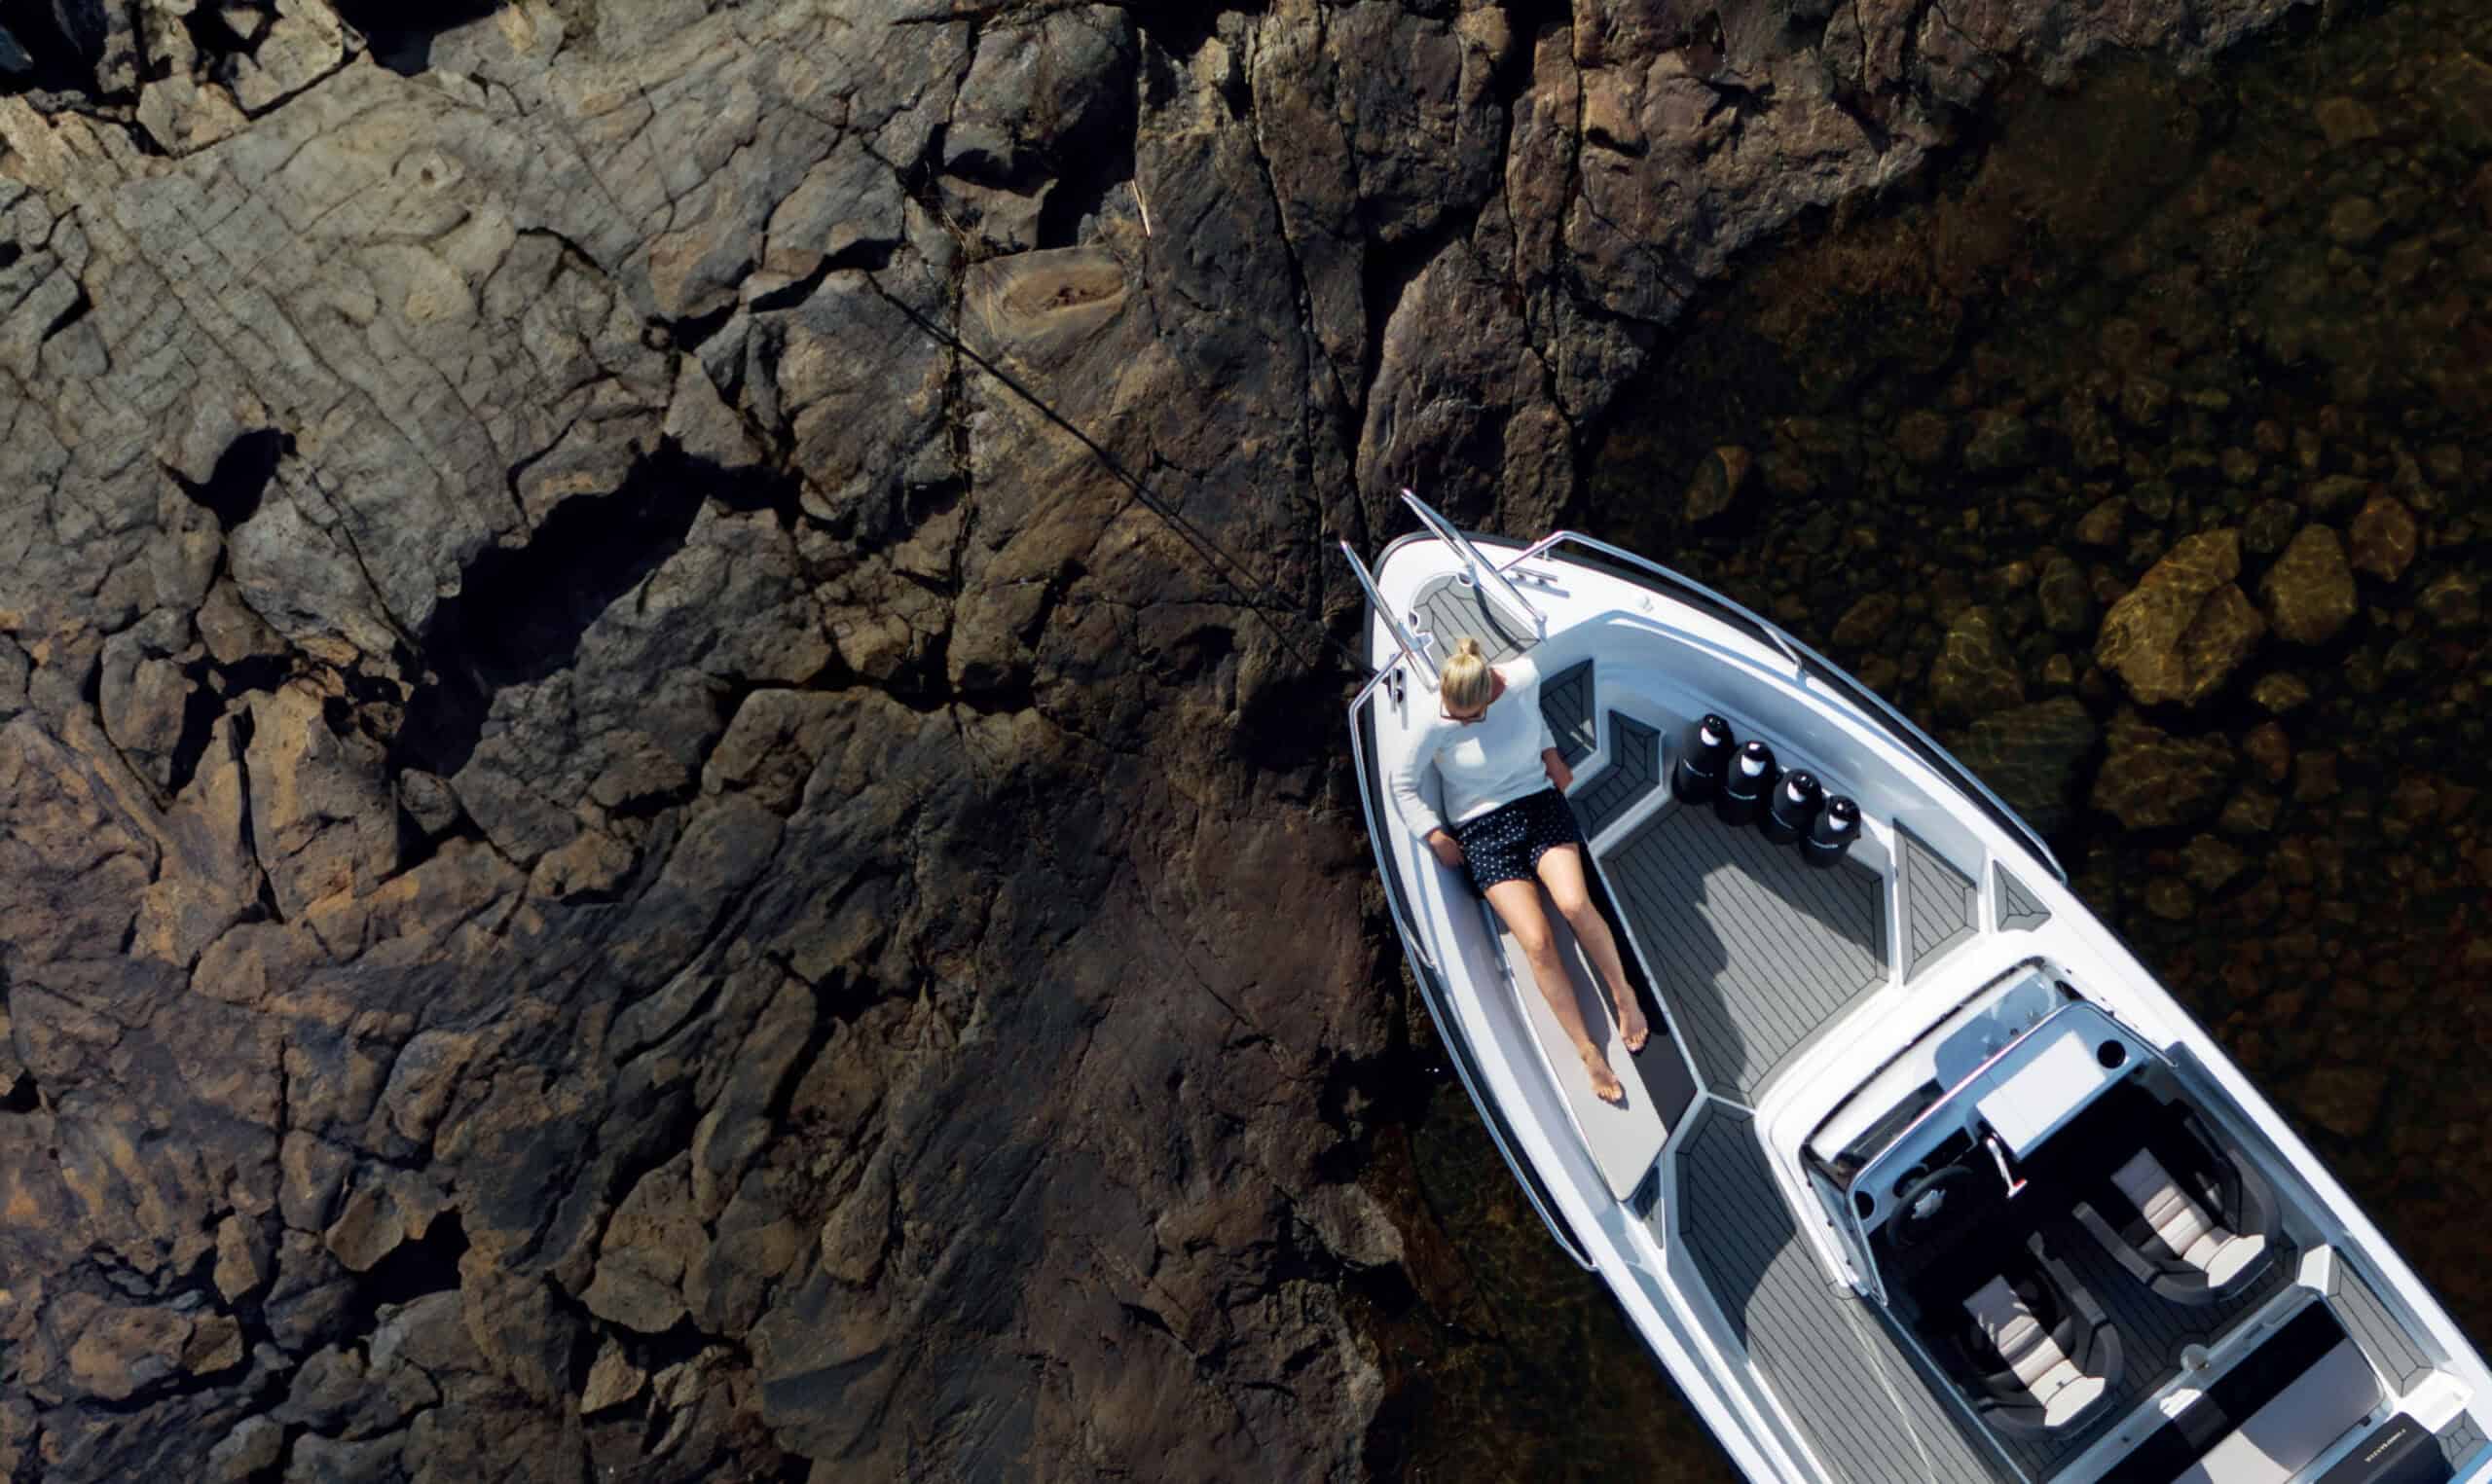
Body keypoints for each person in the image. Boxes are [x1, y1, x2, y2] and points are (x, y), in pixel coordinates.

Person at [1389, 636, 1651, 1105]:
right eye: (1452, 712)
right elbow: (1402, 783)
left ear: (1490, 696)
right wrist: (1434, 833)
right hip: (1481, 829)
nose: (1455, 720)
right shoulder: (1436, 719)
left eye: (1466, 717)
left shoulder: (1522, 679)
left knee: (1575, 904)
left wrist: (1550, 754)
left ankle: (1624, 994)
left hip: (1537, 804)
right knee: (1537, 941)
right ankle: (1587, 1049)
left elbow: (1532, 716)